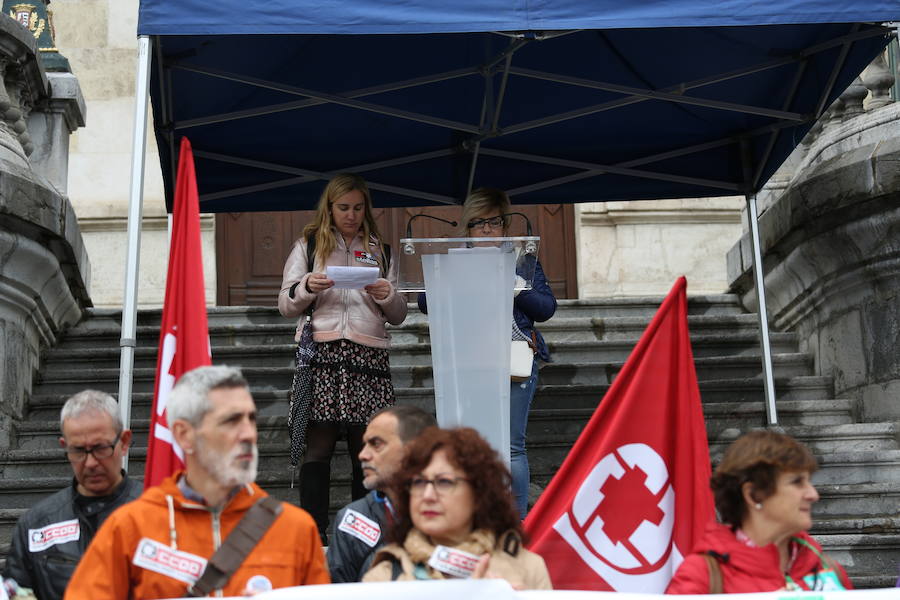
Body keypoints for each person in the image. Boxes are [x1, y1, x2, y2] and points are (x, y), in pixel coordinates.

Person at [64, 366, 329, 599]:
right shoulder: (130, 528)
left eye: (251, 419)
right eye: (231, 421)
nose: (248, 433)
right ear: (184, 435)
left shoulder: (295, 529)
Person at [279, 173, 407, 540]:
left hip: (369, 357)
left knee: (364, 450)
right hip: (322, 352)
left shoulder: (382, 250)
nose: (350, 215)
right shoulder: (308, 245)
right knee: (316, 450)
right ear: (329, 209)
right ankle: (313, 534)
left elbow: (399, 314)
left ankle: (362, 535)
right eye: (342, 208)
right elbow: (285, 304)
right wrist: (306, 286)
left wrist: (385, 293)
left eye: (357, 207)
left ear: (366, 208)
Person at [417, 188, 556, 518]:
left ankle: (516, 522)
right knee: (468, 445)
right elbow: (425, 302)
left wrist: (515, 282)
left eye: (494, 223)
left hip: (513, 359)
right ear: (467, 227)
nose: (487, 230)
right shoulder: (454, 261)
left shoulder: (523, 260)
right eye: (479, 223)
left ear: (506, 225)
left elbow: (546, 307)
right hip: (469, 362)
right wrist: (450, 278)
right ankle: (470, 516)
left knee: (511, 446)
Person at [362, 427, 552, 589]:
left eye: (444, 482)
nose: (428, 495)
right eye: (418, 482)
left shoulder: (527, 569)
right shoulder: (384, 577)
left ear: (479, 492)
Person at [666, 430, 852, 594]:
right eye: (797, 482)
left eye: (809, 482)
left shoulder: (828, 570)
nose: (813, 494)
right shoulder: (703, 575)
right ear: (754, 495)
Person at [3, 390, 141, 600]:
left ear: (124, 441)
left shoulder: (159, 513)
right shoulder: (37, 524)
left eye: (101, 448)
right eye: (78, 450)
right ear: (64, 446)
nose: (91, 462)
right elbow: (14, 591)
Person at [328, 405, 437, 582]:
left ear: (416, 450)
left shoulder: (464, 513)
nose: (362, 455)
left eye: (376, 444)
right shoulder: (352, 519)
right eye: (364, 445)